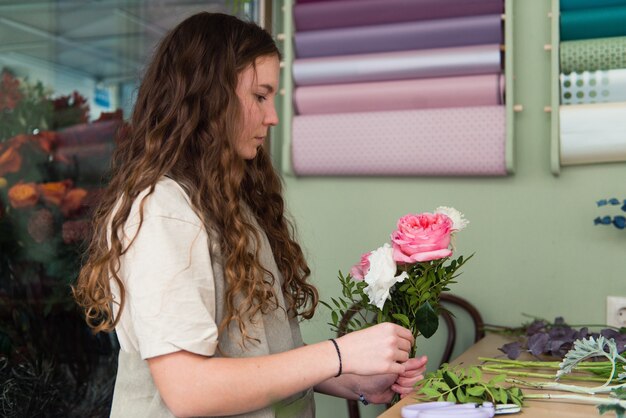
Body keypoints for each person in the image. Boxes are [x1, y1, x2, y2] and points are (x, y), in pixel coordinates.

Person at [73, 12, 427, 418]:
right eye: (260, 96)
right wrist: (337, 354)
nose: (272, 116)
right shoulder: (163, 212)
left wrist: (352, 377)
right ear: (209, 97)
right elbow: (190, 390)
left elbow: (253, 354)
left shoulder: (231, 203)